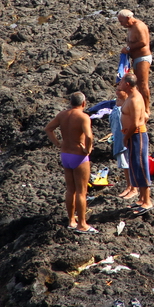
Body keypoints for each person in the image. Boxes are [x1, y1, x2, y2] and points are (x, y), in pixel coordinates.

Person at [44, 92, 96, 233]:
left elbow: (48, 129)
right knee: (81, 191)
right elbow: (89, 135)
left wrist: (57, 143)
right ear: (83, 103)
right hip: (78, 156)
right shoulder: (83, 117)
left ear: (70, 102)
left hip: (65, 155)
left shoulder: (62, 115)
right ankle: (82, 224)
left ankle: (71, 220)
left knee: (70, 190)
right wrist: (88, 149)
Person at [119, 72, 152, 214]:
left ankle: (147, 202)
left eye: (120, 82)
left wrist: (126, 136)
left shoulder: (135, 99)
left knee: (141, 167)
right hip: (133, 135)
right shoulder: (131, 97)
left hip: (137, 135)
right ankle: (141, 199)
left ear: (127, 84)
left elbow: (137, 122)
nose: (118, 84)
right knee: (135, 166)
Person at [117, 9, 152, 117]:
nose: (121, 24)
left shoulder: (139, 26)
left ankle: (147, 109)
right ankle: (140, 107)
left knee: (142, 84)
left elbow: (143, 42)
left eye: (121, 21)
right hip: (136, 58)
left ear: (128, 18)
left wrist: (128, 48)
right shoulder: (131, 27)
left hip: (143, 58)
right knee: (138, 85)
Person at [110, 85, 135, 199]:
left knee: (130, 162)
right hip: (119, 136)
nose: (117, 92)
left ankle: (134, 187)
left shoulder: (130, 102)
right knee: (124, 163)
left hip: (127, 136)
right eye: (117, 90)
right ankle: (129, 185)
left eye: (120, 90)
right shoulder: (118, 101)